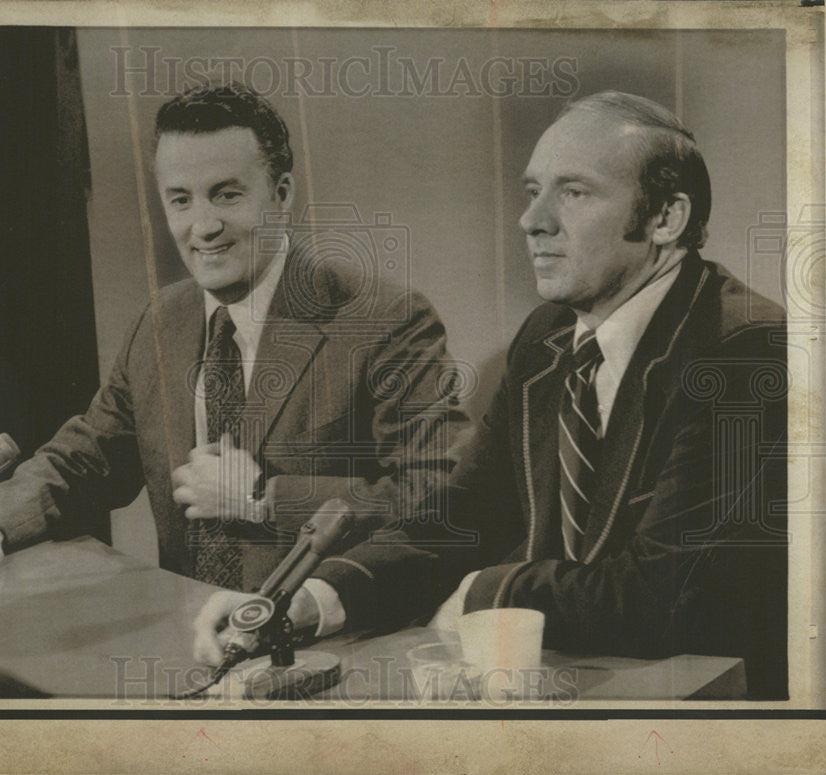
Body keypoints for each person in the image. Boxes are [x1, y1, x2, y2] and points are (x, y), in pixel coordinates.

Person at [194, 91, 788, 700]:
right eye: (533, 192)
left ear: (666, 218)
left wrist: (483, 594)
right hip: (567, 679)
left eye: (574, 193)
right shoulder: (547, 334)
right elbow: (465, 513)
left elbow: (663, 599)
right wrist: (311, 600)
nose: (532, 220)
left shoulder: (744, 351)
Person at [0, 82, 466, 634]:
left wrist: (263, 498)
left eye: (227, 194)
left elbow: (440, 498)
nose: (203, 226)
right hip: (195, 637)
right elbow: (85, 460)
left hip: (329, 644)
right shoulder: (160, 322)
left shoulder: (385, 318)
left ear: (282, 193)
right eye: (180, 199)